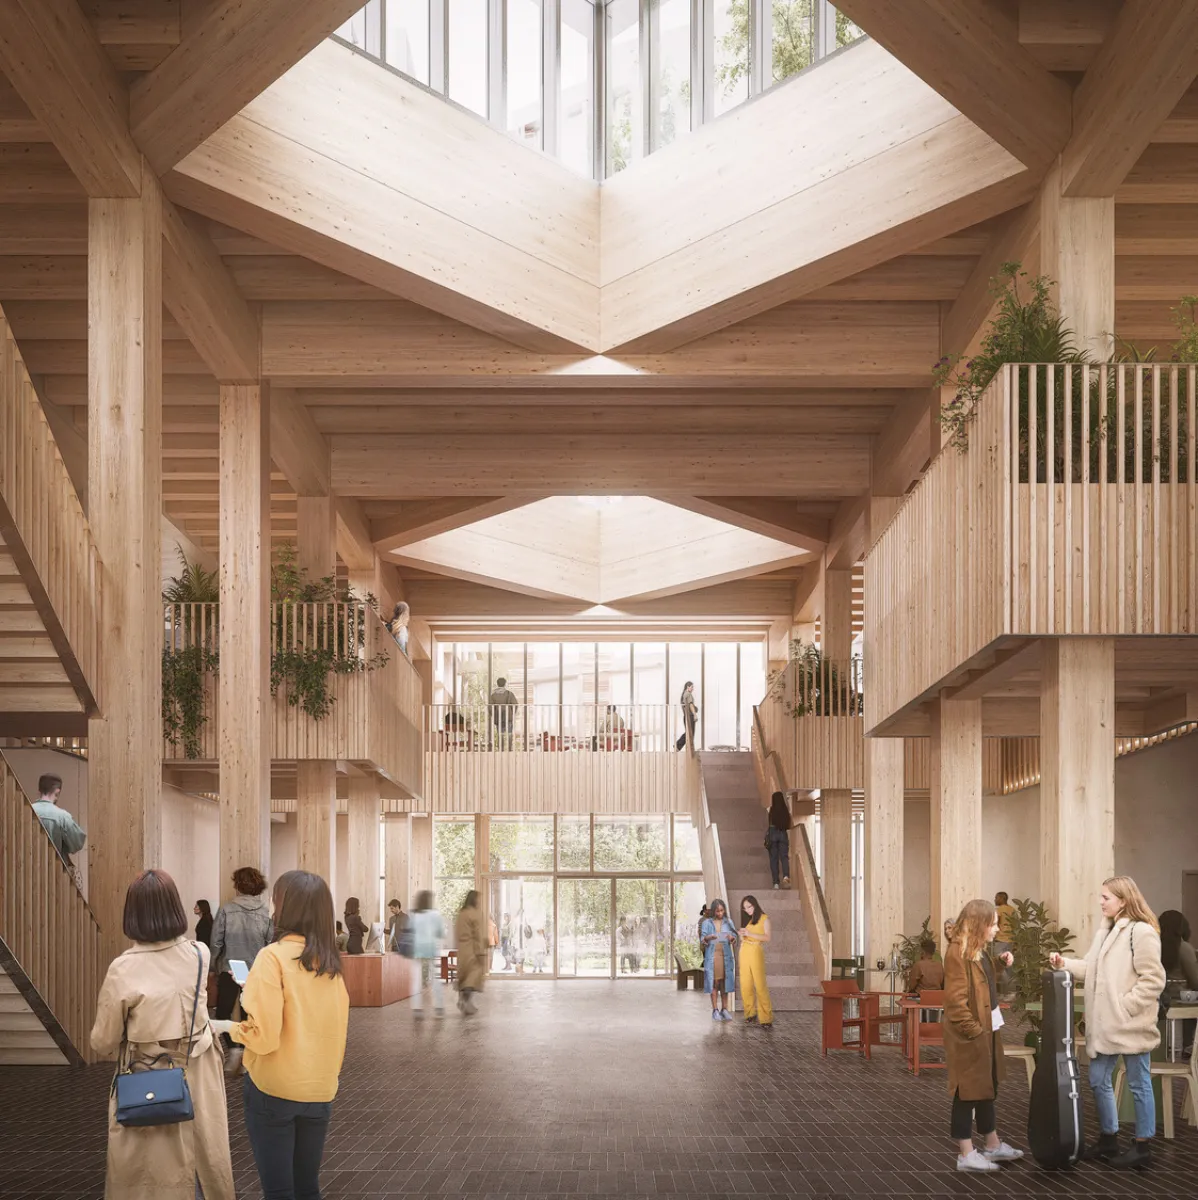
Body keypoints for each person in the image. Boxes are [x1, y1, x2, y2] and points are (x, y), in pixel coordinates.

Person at [90, 869, 235, 1200]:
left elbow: (103, 1041)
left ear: (132, 914)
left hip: (148, 1079)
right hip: (199, 1072)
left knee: (149, 1173)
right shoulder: (199, 954)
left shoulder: (123, 968)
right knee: (203, 1158)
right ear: (175, 907)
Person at [214, 870, 349, 1200]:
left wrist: (225, 1026)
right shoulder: (331, 964)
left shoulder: (272, 956)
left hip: (274, 1090)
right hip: (320, 1089)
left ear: (284, 906)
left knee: (279, 1191)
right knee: (307, 1188)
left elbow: (264, 1038)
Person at [1050, 875, 1167, 1169]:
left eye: (1106, 897)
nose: (1100, 902)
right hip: (1106, 1026)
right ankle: (1109, 1138)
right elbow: (1091, 967)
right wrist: (1064, 964)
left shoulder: (1141, 932)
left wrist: (1125, 1007)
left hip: (1131, 1024)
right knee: (1098, 1079)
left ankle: (1142, 1145)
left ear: (1123, 901)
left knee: (1138, 1084)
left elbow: (1154, 979)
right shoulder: (1106, 931)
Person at [942, 898, 1022, 1173]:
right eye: (994, 924)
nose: (997, 929)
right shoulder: (958, 953)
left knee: (987, 1086)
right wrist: (975, 1032)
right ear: (980, 924)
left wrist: (999, 963)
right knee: (967, 1091)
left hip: (988, 1029)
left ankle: (992, 1144)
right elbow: (956, 1002)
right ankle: (966, 1154)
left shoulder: (978, 950)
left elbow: (981, 979)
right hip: (971, 1034)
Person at [210, 866, 273, 1073]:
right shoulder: (265, 911)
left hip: (230, 966)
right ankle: (247, 1055)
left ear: (237, 886)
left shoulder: (227, 909)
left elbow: (216, 941)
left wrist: (212, 966)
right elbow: (270, 942)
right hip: (255, 969)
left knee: (223, 1011)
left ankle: (234, 1049)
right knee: (251, 1013)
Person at [1160, 909, 1198, 1054]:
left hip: (1162, 999)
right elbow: (1195, 980)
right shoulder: (1183, 948)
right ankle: (1190, 1047)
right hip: (1182, 999)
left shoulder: (1154, 946)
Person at [31, 773, 86, 869]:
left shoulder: (26, 811)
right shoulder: (62, 817)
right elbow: (77, 844)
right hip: (54, 871)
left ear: (39, 790)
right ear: (57, 792)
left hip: (27, 870)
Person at [409, 890, 445, 1017]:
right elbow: (441, 933)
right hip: (431, 948)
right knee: (435, 978)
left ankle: (417, 1008)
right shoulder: (435, 914)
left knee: (416, 978)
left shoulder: (414, 915)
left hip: (417, 949)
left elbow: (409, 931)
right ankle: (439, 1007)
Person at [739, 895, 773, 1029]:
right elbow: (745, 937)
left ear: (755, 905)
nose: (747, 910)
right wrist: (742, 934)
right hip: (744, 951)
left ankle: (766, 1018)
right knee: (745, 984)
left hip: (756, 952)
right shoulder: (748, 920)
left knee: (760, 985)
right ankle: (750, 1013)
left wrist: (749, 934)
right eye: (745, 908)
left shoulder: (764, 919)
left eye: (749, 907)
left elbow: (767, 937)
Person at [700, 898, 738, 1021]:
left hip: (725, 956)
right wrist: (709, 937)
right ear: (713, 911)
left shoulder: (728, 922)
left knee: (724, 983)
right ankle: (715, 1010)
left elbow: (735, 936)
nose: (720, 913)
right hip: (713, 957)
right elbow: (702, 939)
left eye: (722, 910)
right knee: (714, 983)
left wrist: (732, 938)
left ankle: (725, 1009)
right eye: (717, 911)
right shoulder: (707, 923)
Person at [455, 890, 487, 1015]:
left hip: (462, 950)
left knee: (464, 978)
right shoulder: (475, 914)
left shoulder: (461, 913)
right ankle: (466, 1001)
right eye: (479, 899)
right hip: (472, 951)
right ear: (474, 899)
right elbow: (479, 935)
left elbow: (456, 932)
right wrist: (480, 952)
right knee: (472, 979)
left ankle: (464, 1001)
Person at [765, 791, 792, 890]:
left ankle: (776, 883)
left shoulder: (770, 809)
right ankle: (786, 876)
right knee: (784, 857)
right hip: (783, 834)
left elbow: (769, 823)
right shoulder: (785, 811)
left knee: (774, 859)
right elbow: (788, 825)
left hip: (773, 834)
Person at [489, 677, 518, 749]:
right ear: (505, 684)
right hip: (508, 717)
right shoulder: (509, 694)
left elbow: (490, 707)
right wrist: (512, 713)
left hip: (498, 717)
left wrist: (494, 715)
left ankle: (500, 749)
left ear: (497, 684)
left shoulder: (493, 695)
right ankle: (509, 749)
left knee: (500, 734)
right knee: (509, 734)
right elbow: (515, 705)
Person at [675, 682, 698, 752]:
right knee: (690, 734)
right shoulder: (688, 694)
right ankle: (678, 746)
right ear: (688, 687)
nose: (693, 689)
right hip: (689, 717)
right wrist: (695, 714)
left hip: (686, 716)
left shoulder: (684, 694)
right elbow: (690, 705)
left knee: (689, 733)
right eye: (692, 687)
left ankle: (678, 746)